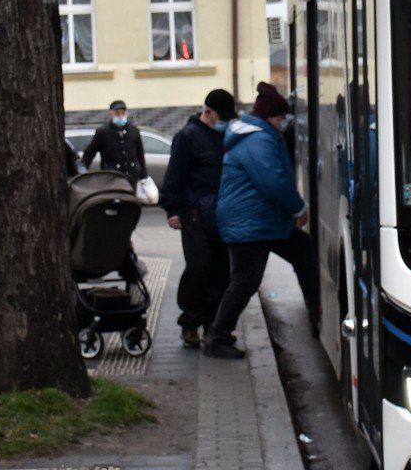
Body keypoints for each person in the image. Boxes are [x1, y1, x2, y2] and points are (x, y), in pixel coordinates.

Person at [202, 83, 320, 359]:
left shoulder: (259, 135)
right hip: (250, 225)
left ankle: (316, 308)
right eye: (281, 117)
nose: (284, 122)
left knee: (303, 251)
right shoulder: (258, 140)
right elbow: (273, 181)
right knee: (245, 282)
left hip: (262, 222)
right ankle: (216, 338)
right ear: (270, 117)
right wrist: (298, 208)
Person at [161, 88, 237, 348]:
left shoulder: (224, 135)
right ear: (207, 112)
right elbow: (174, 176)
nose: (225, 121)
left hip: (221, 215)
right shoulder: (188, 137)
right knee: (198, 269)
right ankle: (190, 323)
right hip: (194, 216)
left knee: (221, 272)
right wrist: (172, 210)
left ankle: (213, 326)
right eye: (220, 116)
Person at [81, 99, 146, 178]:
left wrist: (144, 175)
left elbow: (140, 154)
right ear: (111, 114)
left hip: (132, 175)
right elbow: (90, 153)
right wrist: (82, 171)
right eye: (117, 113)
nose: (120, 116)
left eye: (123, 113)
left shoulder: (133, 130)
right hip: (112, 176)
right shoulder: (103, 132)